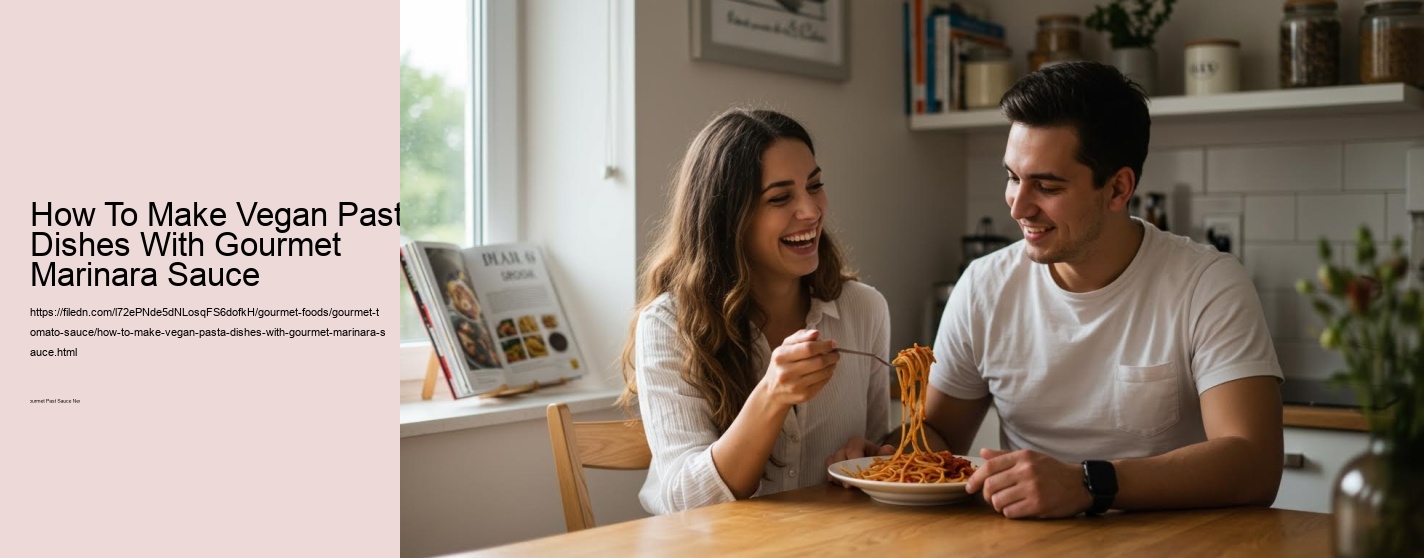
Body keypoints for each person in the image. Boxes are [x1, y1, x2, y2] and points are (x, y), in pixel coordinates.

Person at [926, 62, 1284, 518]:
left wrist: (1087, 484)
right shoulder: (983, 285)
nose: (1018, 206)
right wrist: (877, 454)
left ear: (1118, 188)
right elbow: (937, 436)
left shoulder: (1207, 283)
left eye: (1047, 185)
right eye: (1013, 177)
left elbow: (1255, 464)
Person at [619, 108, 893, 514]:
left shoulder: (865, 308)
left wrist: (870, 457)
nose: (811, 210)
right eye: (781, 197)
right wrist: (772, 395)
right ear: (728, 218)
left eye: (814, 186)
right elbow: (686, 502)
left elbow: (875, 454)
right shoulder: (666, 324)